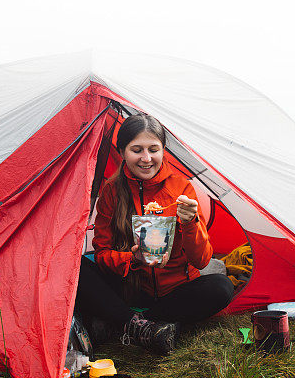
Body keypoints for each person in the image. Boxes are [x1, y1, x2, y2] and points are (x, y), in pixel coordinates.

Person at [75, 114, 234, 354]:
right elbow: (102, 254)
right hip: (131, 287)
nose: (146, 158)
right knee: (76, 268)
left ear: (163, 150)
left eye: (153, 149)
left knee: (221, 287)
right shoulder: (111, 191)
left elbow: (201, 260)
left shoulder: (181, 188)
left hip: (175, 293)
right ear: (122, 151)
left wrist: (191, 222)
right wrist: (132, 260)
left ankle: (123, 323)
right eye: (136, 150)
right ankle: (143, 326)